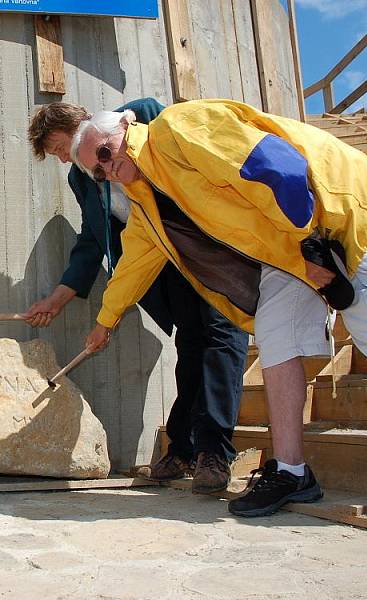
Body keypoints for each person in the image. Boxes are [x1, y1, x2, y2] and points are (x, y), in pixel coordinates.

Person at [72, 99, 367, 517]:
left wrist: (311, 242)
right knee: (275, 334)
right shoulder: (145, 198)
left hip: (337, 213)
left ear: (128, 125)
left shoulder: (177, 129)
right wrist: (105, 322)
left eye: (106, 152)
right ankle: (293, 473)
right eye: (97, 169)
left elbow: (275, 165)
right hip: (288, 251)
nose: (106, 168)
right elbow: (134, 264)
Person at [26, 99, 248, 493]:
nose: (63, 160)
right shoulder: (81, 179)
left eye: (60, 148)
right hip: (161, 262)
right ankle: (183, 448)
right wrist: (57, 299)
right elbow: (94, 239)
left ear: (78, 125)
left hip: (208, 244)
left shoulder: (139, 117)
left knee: (220, 334)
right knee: (192, 343)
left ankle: (215, 452)